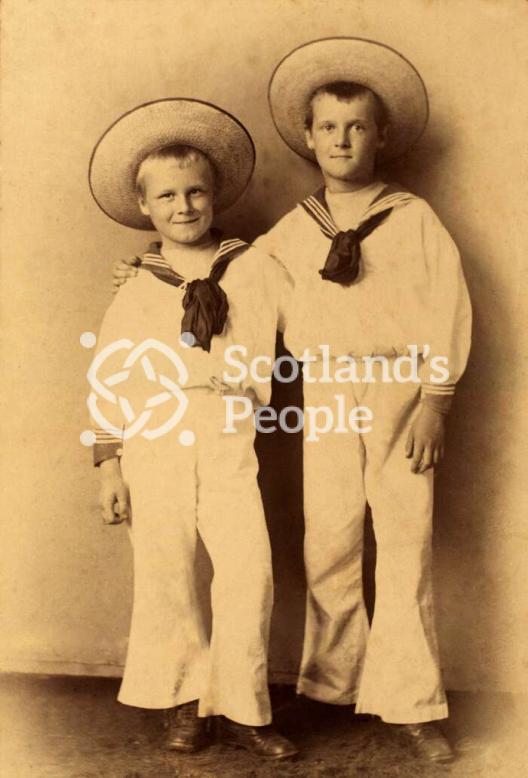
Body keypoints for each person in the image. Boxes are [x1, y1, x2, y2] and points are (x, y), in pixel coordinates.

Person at [112, 37, 472, 764]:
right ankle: (333, 684)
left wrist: (437, 398)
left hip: (403, 390)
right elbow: (223, 271)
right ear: (308, 138)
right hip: (326, 393)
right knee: (329, 542)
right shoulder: (287, 234)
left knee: (403, 541)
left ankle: (409, 702)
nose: (342, 140)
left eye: (358, 127)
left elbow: (450, 312)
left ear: (381, 136)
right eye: (328, 128)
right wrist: (146, 270)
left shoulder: (414, 218)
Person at [88, 98, 297, 761]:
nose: (184, 206)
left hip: (228, 434)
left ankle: (243, 704)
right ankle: (185, 701)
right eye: (168, 196)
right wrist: (110, 465)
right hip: (154, 443)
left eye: (196, 192)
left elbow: (315, 323)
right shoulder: (138, 286)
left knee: (247, 573)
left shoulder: (255, 268)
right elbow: (108, 377)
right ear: (146, 208)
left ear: (216, 197)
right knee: (165, 573)